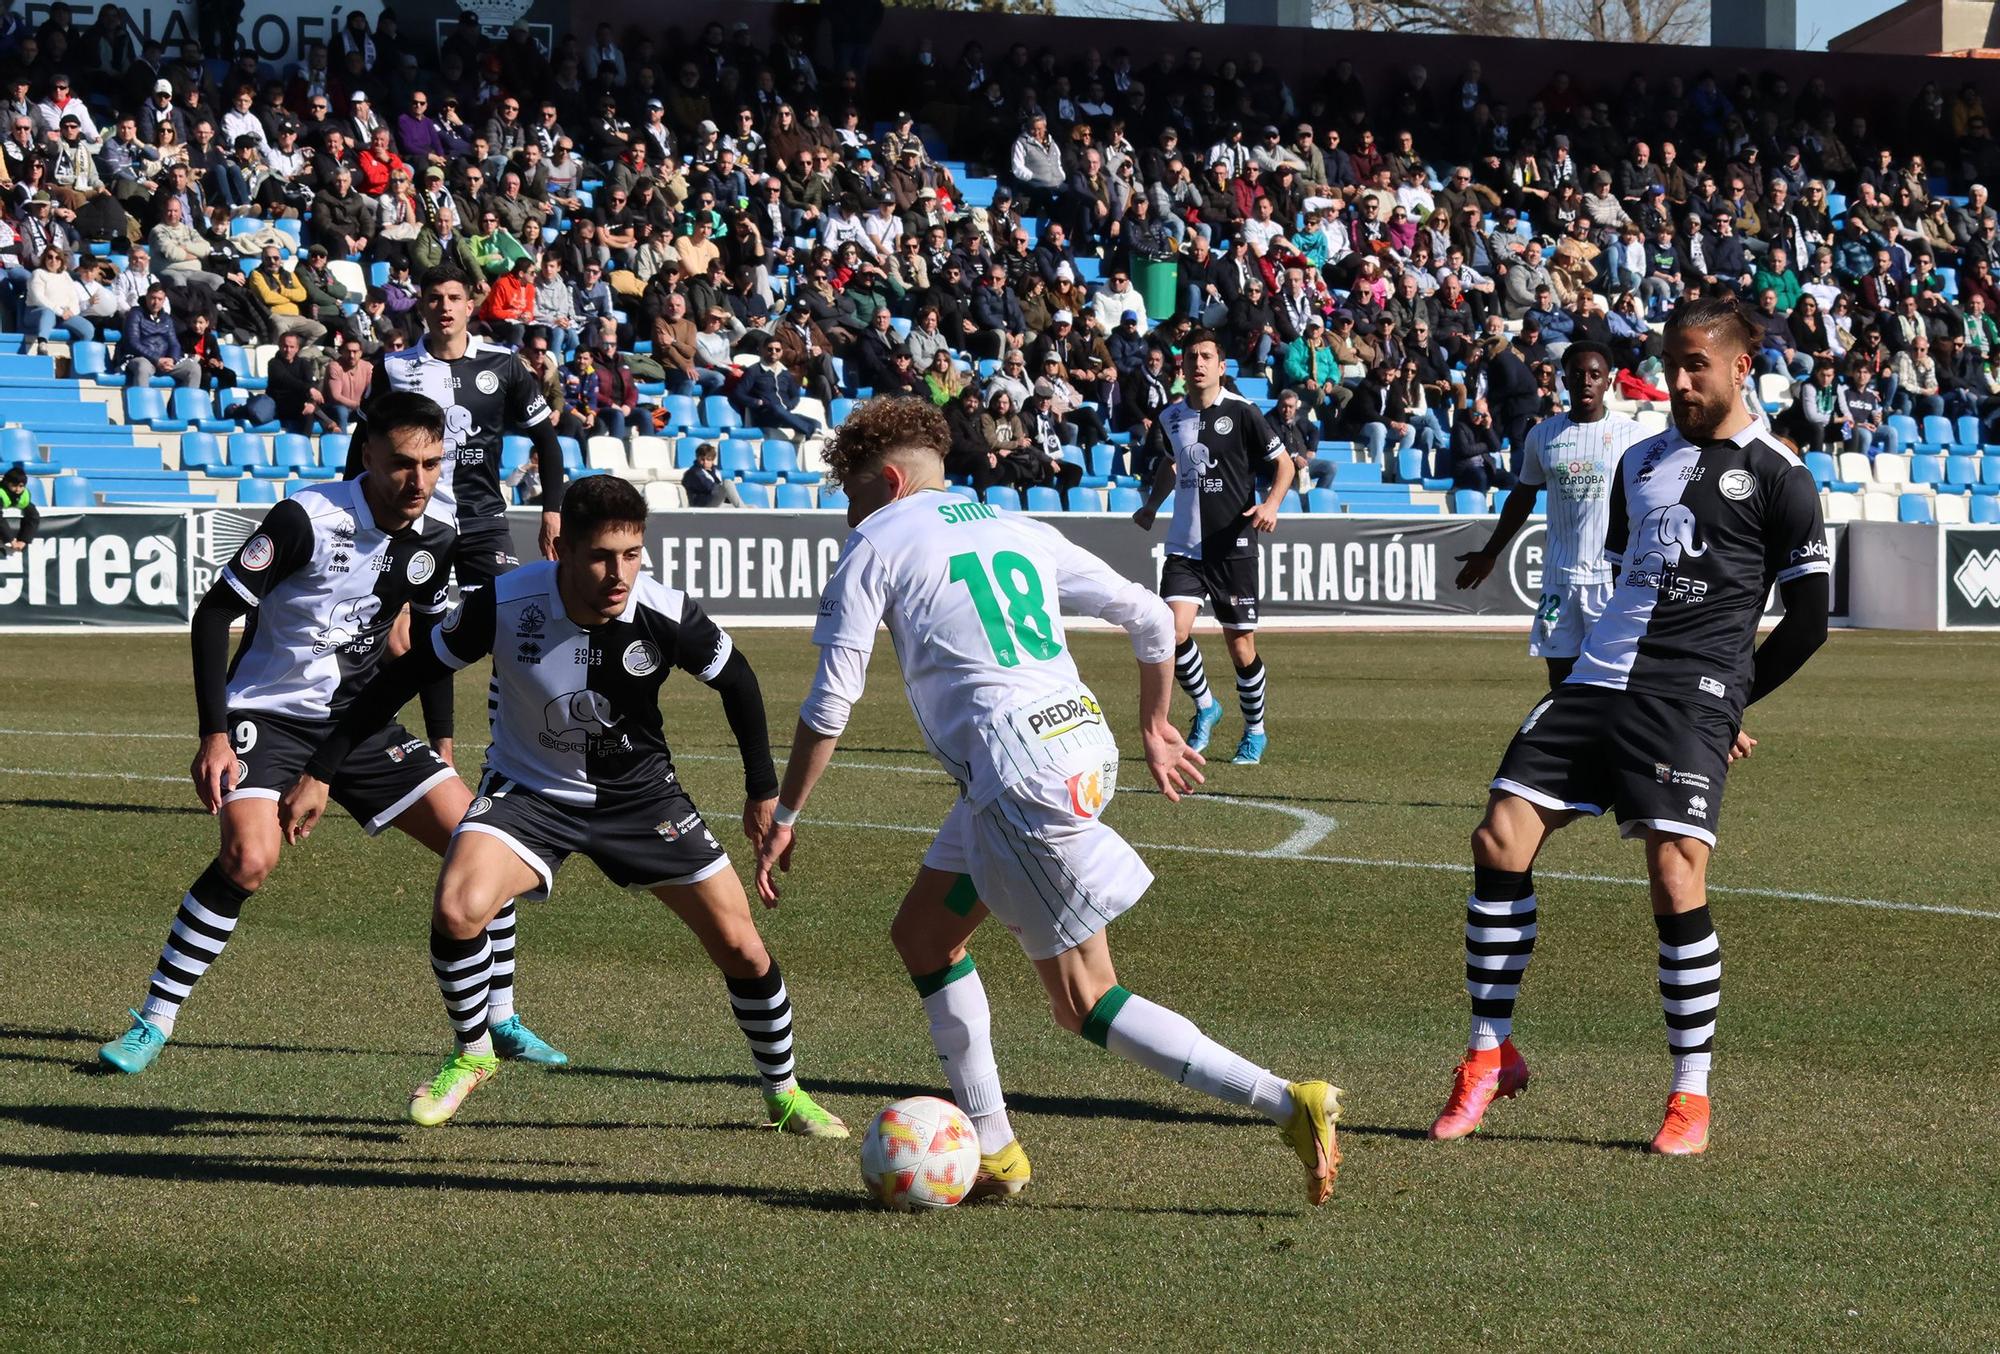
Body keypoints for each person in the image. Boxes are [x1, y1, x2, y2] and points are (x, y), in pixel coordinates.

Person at [752, 397, 1342, 1206]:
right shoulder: (1012, 525)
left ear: (887, 483)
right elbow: (1146, 615)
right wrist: (1155, 723)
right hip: (1072, 745)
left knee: (1084, 1000)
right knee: (923, 935)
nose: (849, 514)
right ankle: (993, 1146)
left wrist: (785, 817)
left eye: (853, 495)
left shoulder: (875, 542)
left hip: (1016, 772)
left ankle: (1286, 1101)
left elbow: (829, 704)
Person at [279, 475, 847, 1137]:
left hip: (643, 800)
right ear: (564, 553)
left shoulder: (664, 611)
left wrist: (762, 791)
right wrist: (322, 769)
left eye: (632, 554)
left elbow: (738, 680)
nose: (620, 573)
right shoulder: (504, 602)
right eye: (604, 556)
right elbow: (403, 676)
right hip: (530, 794)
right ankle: (472, 1053)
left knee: (744, 950)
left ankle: (784, 1095)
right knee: (459, 907)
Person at [1428, 296, 1831, 1157]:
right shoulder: (1639, 462)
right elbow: (1624, 582)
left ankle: (1690, 1096)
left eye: (1695, 366)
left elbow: (1808, 622)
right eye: (1671, 365)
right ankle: (1487, 1054)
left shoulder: (1779, 475)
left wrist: (1731, 702)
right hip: (1597, 676)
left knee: (1674, 873)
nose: (1679, 382)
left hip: (1689, 695)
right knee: (1498, 837)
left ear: (1737, 369)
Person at [96, 393, 565, 1075]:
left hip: (362, 722)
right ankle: (154, 1021)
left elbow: (431, 650)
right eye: (403, 463)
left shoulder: (437, 534)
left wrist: (443, 747)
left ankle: (502, 1019)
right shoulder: (305, 519)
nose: (418, 480)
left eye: (432, 464)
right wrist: (215, 733)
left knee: (483, 842)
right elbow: (214, 613)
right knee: (249, 860)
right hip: (268, 712)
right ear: (368, 453)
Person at [344, 263, 566, 588]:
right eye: (434, 299)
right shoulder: (392, 369)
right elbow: (362, 442)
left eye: (453, 298)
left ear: (469, 306)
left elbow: (547, 440)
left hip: (484, 518)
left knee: (496, 622)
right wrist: (350, 510)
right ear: (421, 307)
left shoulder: (504, 364)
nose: (445, 307)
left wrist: (552, 511)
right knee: (412, 630)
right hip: (415, 519)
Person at [1132, 327, 1295, 765]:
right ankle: (1206, 705)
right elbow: (1172, 463)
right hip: (1185, 545)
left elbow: (1283, 464)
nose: (1198, 363)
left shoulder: (1243, 413)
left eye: (1206, 356)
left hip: (1233, 543)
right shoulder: (1171, 417)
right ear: (1182, 367)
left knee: (1240, 646)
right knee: (1171, 630)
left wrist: (1272, 504)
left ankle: (1255, 731)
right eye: (1191, 357)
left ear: (1221, 367)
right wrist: (1152, 504)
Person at [1455, 341, 1647, 685]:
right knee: (1560, 678)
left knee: (1615, 680)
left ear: (1608, 381)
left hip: (1610, 581)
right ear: (1564, 381)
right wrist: (1490, 552)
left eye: (1595, 374)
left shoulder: (1635, 436)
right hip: (1559, 579)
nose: (1586, 381)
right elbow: (1522, 497)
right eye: (1577, 375)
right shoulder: (1542, 435)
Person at [116, 282, 196, 387]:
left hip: (164, 361)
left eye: (160, 299)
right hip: (142, 358)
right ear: (146, 297)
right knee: (142, 367)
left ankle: (181, 403)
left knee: (193, 368)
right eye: (153, 298)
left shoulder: (167, 319)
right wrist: (157, 359)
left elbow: (174, 344)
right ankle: (142, 402)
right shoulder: (135, 314)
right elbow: (133, 343)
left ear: (164, 300)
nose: (156, 302)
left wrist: (172, 359)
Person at [683, 441, 745, 508]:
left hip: (714, 502)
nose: (705, 462)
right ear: (697, 458)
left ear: (712, 460)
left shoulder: (714, 471)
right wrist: (726, 491)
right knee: (727, 482)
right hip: (701, 505)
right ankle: (743, 509)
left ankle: (744, 509)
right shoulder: (694, 472)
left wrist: (728, 497)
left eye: (708, 459)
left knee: (752, 507)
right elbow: (709, 487)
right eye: (702, 459)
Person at [0, 463, 37, 552]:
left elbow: (34, 517)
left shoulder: (24, 496)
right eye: (14, 486)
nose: (17, 490)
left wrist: (24, 540)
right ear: (6, 483)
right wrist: (11, 540)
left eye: (21, 486)